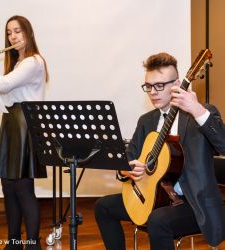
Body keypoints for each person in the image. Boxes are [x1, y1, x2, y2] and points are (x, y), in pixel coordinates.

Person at [95, 52, 225, 250]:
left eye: (160, 85)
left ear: (178, 83)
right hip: (155, 198)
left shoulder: (198, 114)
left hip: (192, 203)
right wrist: (127, 170)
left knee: (158, 220)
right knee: (103, 207)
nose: (153, 92)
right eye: (148, 86)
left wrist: (197, 110)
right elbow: (127, 160)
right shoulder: (146, 121)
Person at [0, 15, 49, 250]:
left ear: (28, 33)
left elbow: (4, 85)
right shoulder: (18, 63)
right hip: (12, 122)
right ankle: (14, 242)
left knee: (23, 188)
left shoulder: (34, 61)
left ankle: (33, 244)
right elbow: (3, 95)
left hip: (25, 123)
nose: (13, 36)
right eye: (9, 32)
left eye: (18, 31)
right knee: (8, 186)